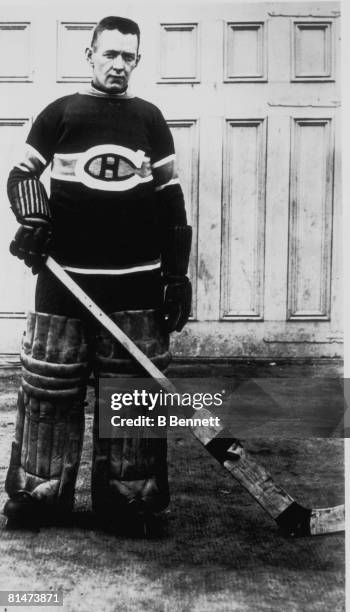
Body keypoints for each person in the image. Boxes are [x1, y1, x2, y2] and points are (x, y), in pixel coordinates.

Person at [3, 15, 192, 534]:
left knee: (132, 395)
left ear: (138, 61)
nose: (119, 65)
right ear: (90, 56)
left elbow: (169, 197)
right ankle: (38, 496)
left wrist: (176, 275)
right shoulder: (60, 113)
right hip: (64, 282)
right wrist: (35, 221)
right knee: (49, 389)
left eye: (128, 56)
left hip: (134, 284)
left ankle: (130, 501)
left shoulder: (150, 119)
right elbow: (22, 175)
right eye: (109, 54)